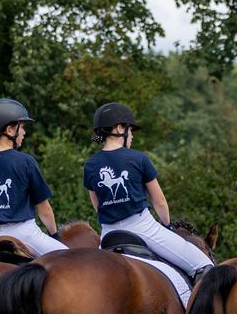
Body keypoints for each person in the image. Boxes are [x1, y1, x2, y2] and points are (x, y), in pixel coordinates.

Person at [82, 102, 210, 276]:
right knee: (204, 265)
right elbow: (160, 201)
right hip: (143, 228)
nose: (132, 136)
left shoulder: (90, 165)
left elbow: (97, 204)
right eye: (130, 130)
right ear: (119, 129)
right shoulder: (139, 158)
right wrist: (167, 225)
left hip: (108, 234)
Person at [0, 99, 66, 257]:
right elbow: (44, 211)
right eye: (22, 127)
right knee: (71, 259)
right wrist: (54, 235)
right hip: (25, 234)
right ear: (10, 130)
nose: (24, 132)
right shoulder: (26, 161)